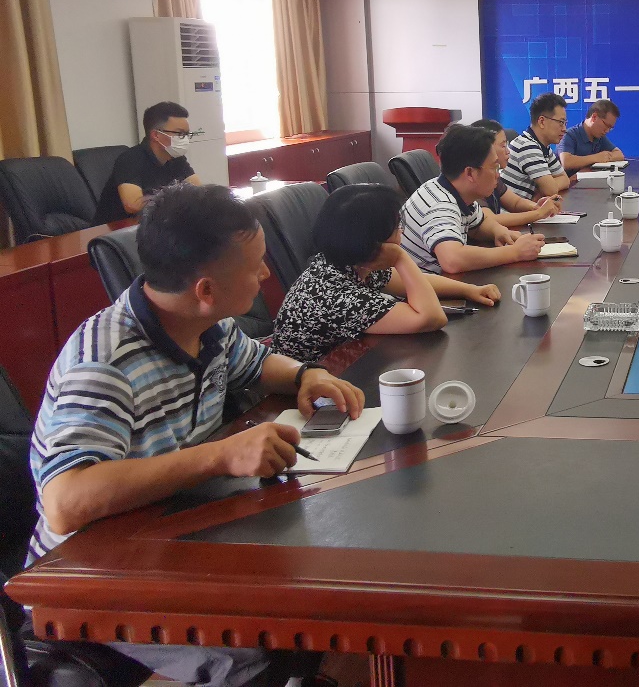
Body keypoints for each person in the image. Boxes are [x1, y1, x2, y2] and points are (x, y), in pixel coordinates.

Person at [28, 183, 365, 686]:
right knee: (260, 643)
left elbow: (256, 363)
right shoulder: (103, 365)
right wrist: (218, 457)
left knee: (314, 582)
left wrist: (305, 375)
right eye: (255, 266)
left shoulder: (206, 326)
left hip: (173, 529)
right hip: (87, 573)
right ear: (205, 290)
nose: (266, 274)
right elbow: (64, 500)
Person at [271, 184, 501, 362]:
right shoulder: (336, 295)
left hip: (348, 365)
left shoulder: (346, 261)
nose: (401, 233)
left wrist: (469, 290)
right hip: (305, 393)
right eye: (397, 227)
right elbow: (431, 318)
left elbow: (409, 281)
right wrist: (400, 257)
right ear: (373, 241)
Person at [400, 124, 545, 274]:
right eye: (494, 167)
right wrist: (515, 252)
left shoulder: (456, 193)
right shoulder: (440, 205)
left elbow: (478, 224)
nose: (498, 175)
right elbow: (452, 260)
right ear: (470, 173)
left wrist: (498, 231)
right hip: (420, 285)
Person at [95, 101, 202, 224]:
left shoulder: (176, 158)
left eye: (187, 134)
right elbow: (133, 205)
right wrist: (178, 199)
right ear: (156, 135)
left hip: (155, 224)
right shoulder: (130, 159)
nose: (185, 139)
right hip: (117, 230)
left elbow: (198, 191)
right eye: (180, 134)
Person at [469, 118, 563, 228]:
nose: (508, 151)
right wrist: (538, 213)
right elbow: (489, 219)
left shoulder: (493, 175)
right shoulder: (473, 179)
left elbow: (515, 202)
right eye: (503, 146)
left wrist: (537, 206)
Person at [501, 93, 572, 200]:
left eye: (565, 123)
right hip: (512, 209)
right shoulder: (527, 146)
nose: (564, 129)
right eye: (561, 122)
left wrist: (544, 189)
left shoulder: (543, 147)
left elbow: (565, 179)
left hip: (527, 207)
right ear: (542, 121)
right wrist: (547, 188)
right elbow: (550, 190)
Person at [558, 99, 624, 172]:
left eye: (610, 128)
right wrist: (596, 158)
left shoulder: (599, 137)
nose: (607, 131)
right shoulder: (569, 135)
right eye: (606, 125)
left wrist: (606, 157)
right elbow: (566, 162)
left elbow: (619, 154)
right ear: (594, 117)